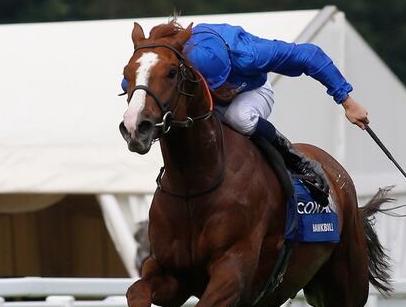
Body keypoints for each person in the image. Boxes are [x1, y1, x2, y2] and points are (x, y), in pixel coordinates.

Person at [124, 22, 370, 206]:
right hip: (200, 97)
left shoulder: (249, 53)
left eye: (222, 83)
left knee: (238, 117)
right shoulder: (180, 63)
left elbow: (310, 55)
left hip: (252, 91)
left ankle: (297, 160)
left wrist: (347, 101)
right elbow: (137, 80)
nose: (222, 92)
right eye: (214, 86)